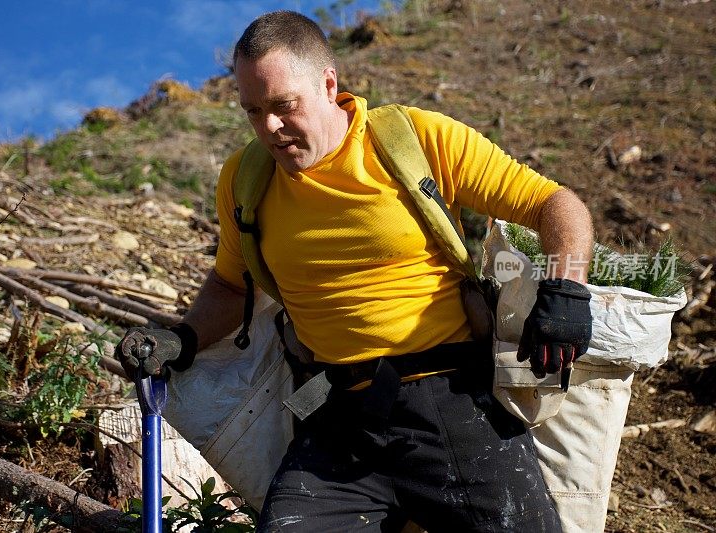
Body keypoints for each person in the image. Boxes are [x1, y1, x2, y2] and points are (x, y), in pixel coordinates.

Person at [117, 10, 595, 532]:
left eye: (283, 106)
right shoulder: (245, 179)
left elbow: (555, 203)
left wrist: (567, 289)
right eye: (253, 112)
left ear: (328, 83)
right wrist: (182, 340)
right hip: (338, 416)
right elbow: (232, 285)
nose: (270, 129)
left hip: (452, 399)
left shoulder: (413, 139)